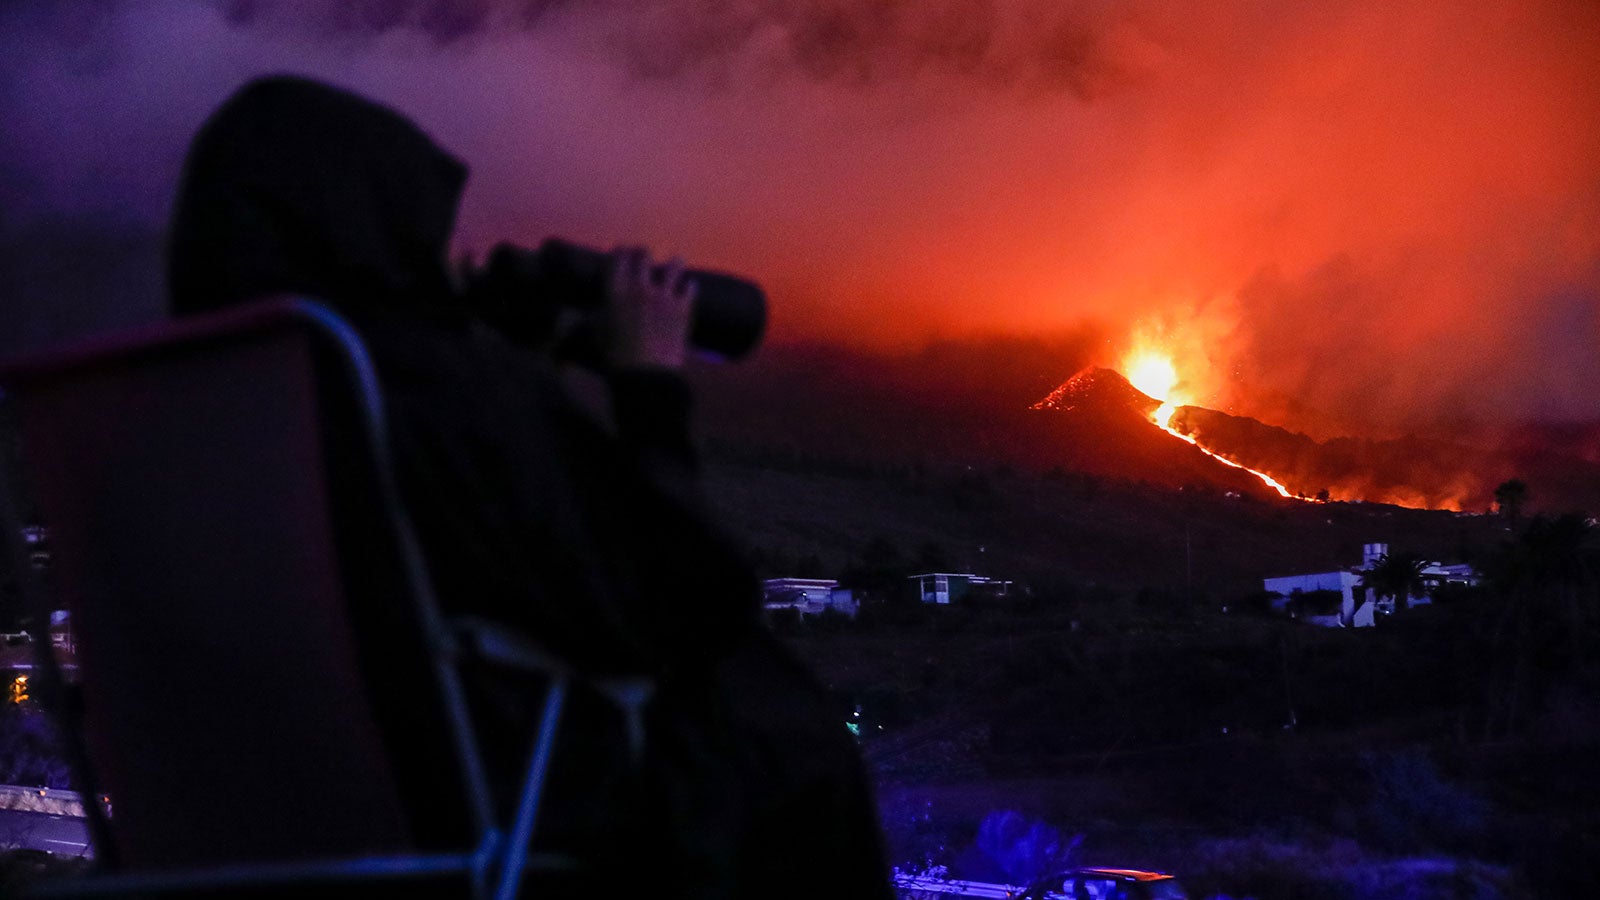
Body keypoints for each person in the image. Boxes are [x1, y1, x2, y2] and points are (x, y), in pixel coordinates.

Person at [167, 75, 891, 898]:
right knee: (792, 737)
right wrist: (647, 387)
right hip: (494, 805)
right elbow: (690, 600)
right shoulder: (406, 388)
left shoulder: (182, 411)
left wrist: (516, 379)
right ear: (372, 231)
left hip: (258, 817)